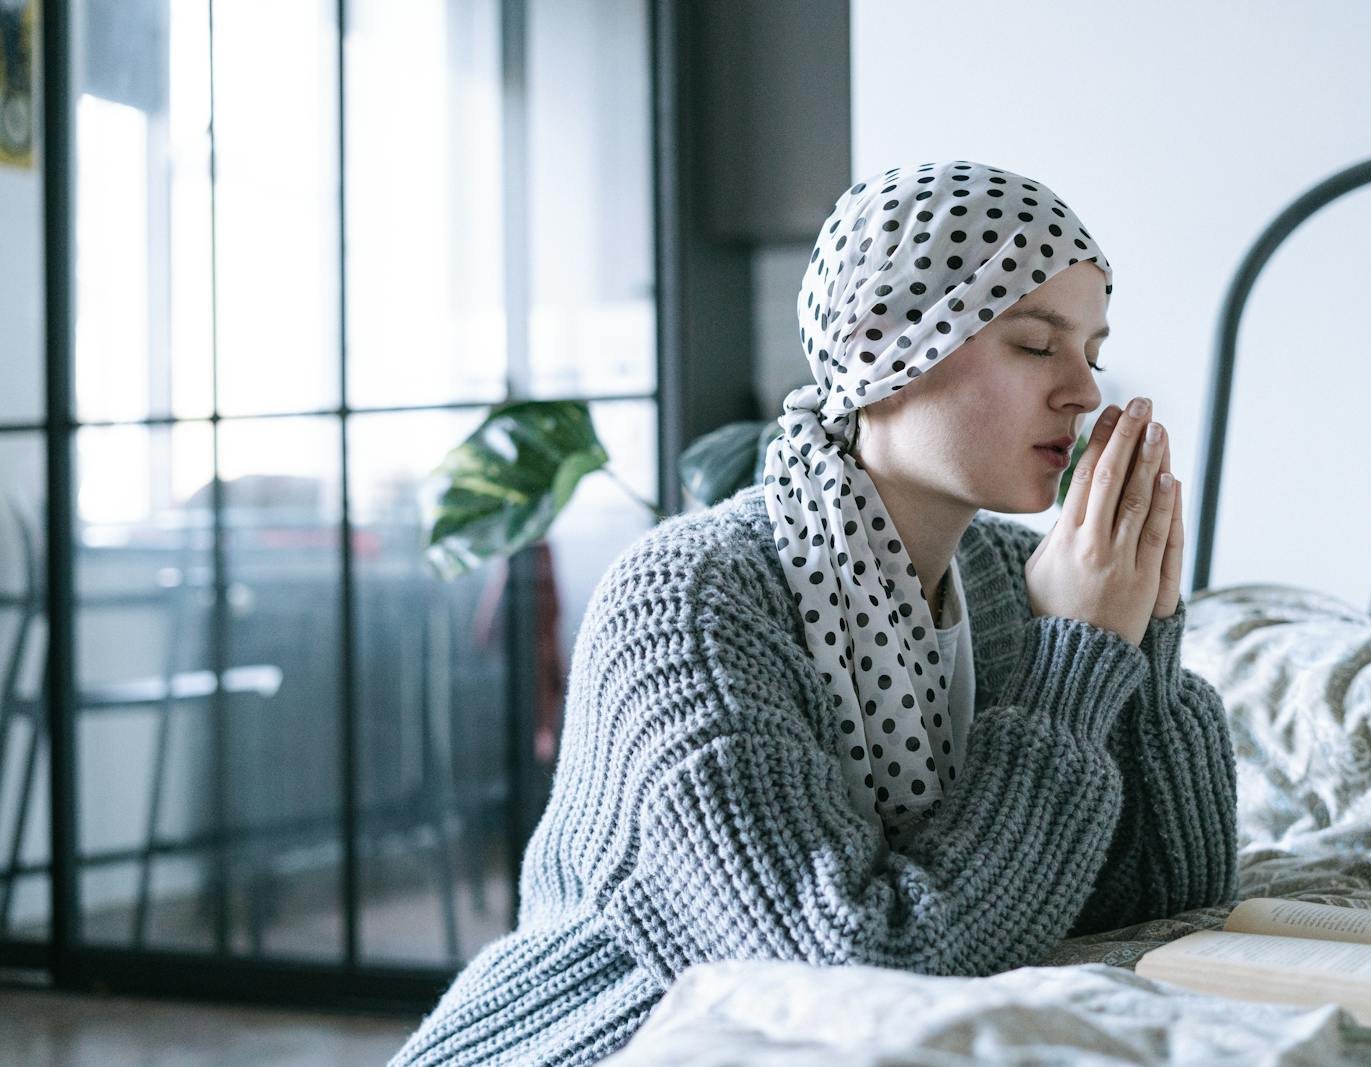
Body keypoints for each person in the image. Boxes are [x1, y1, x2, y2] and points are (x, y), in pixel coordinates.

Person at [391, 160, 1237, 1066]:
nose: (1085, 391)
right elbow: (857, 974)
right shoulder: (694, 601)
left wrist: (1142, 631)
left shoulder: (1011, 579)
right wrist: (1071, 665)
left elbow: (1164, 895)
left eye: (1093, 353)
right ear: (886, 346)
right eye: (1036, 344)